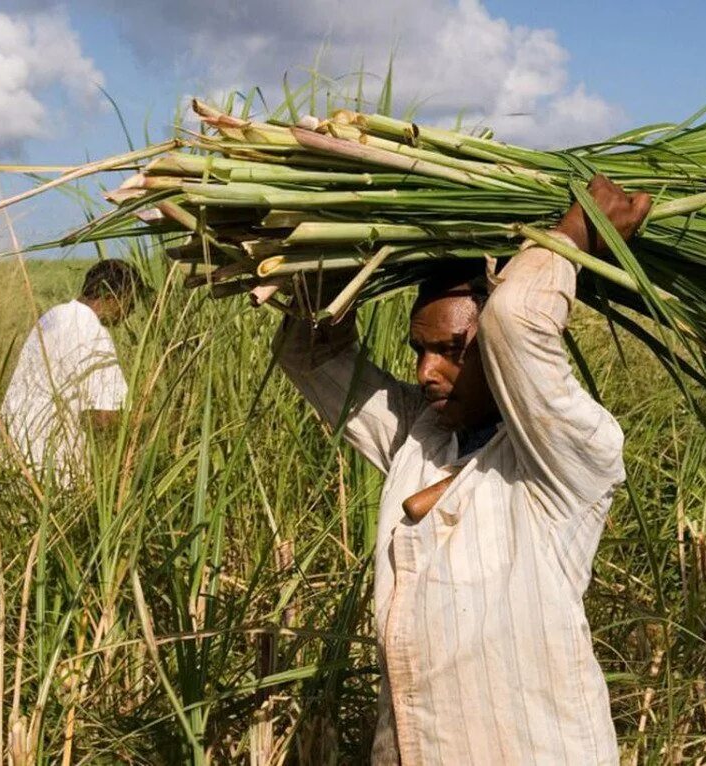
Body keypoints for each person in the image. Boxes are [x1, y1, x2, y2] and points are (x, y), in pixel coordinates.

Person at [275, 175, 652, 764]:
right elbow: (310, 354)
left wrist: (573, 236)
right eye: (420, 350)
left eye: (453, 350)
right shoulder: (418, 434)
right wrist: (331, 242)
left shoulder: (567, 456)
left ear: (495, 352)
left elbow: (517, 316)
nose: (428, 371)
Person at [0, 259, 143, 487]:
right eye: (130, 303)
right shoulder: (92, 330)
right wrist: (153, 421)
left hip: (11, 459)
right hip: (49, 472)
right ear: (113, 297)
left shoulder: (52, 317)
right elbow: (102, 419)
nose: (130, 313)